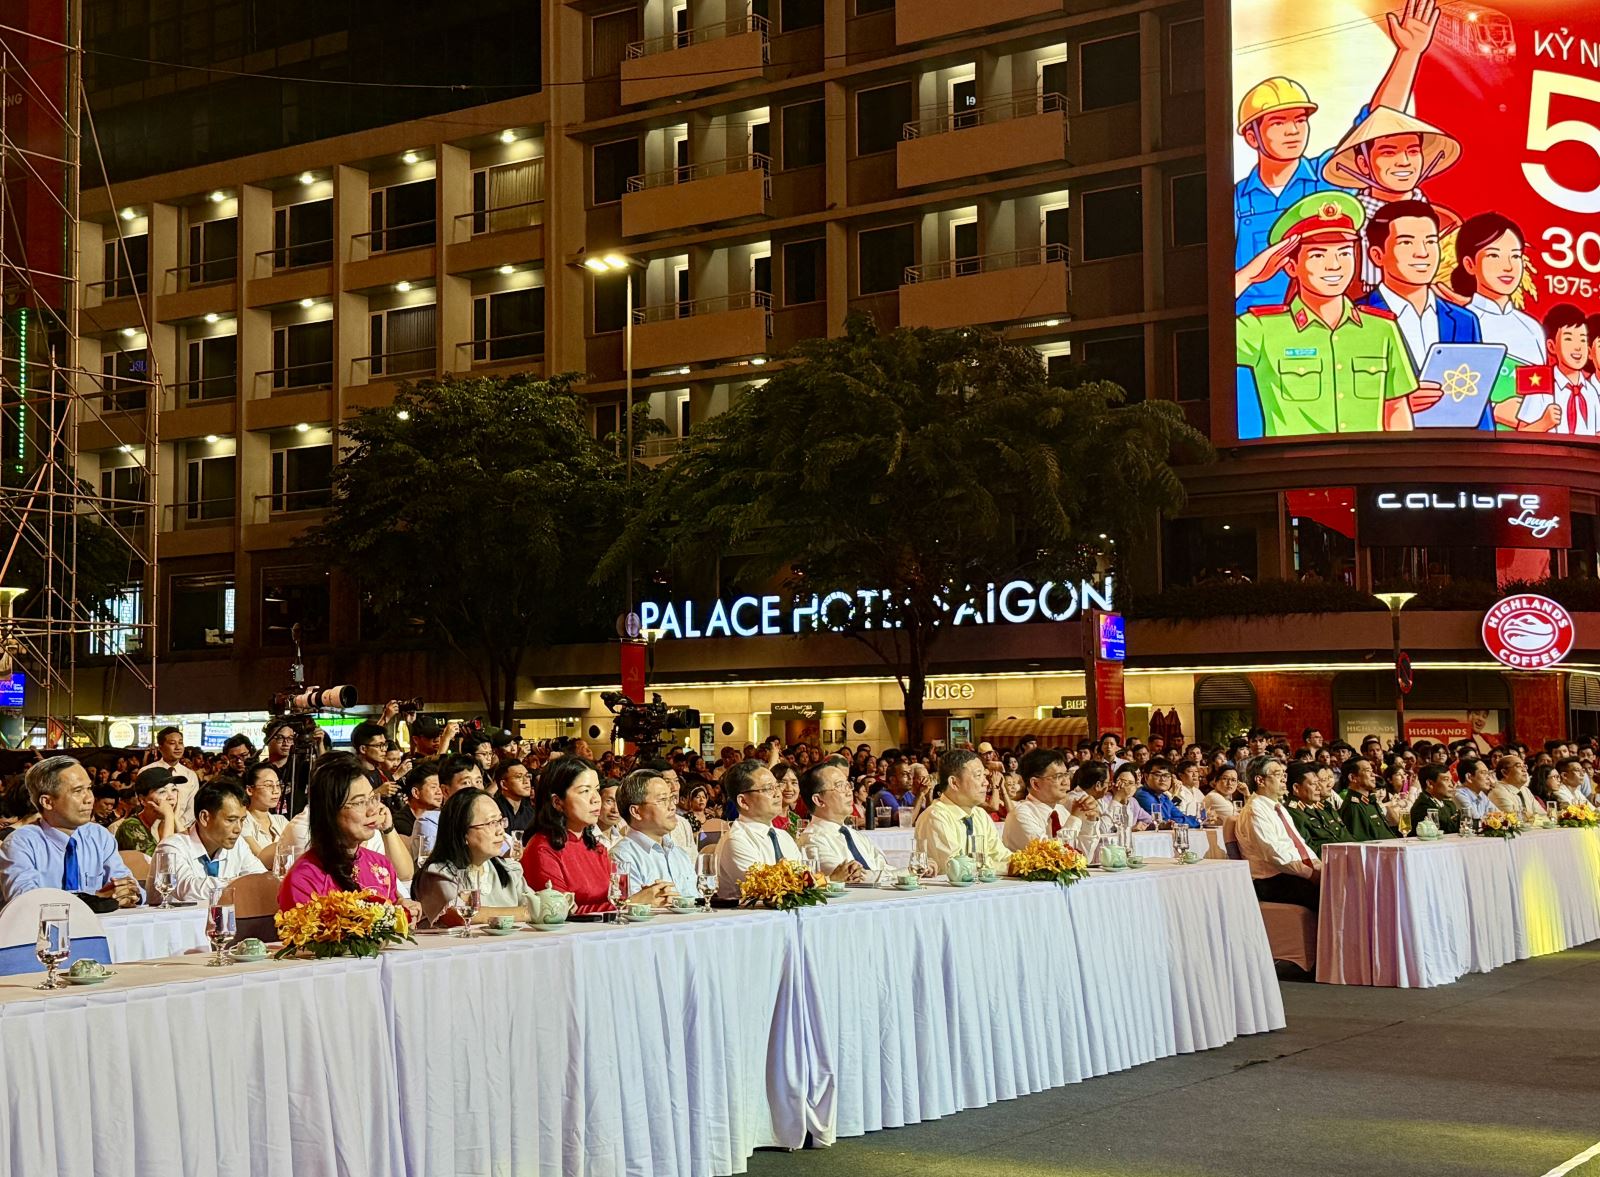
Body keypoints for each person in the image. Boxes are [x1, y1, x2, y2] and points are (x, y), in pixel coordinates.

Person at [277, 754, 418, 919]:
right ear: (330, 810)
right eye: (359, 802)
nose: (372, 810)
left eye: (372, 798)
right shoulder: (303, 879)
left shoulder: (380, 864)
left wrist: (403, 913)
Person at [0, 757, 143, 907]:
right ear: (47, 802)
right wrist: (94, 899)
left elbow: (126, 883)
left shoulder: (99, 836)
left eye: (89, 788)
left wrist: (129, 893)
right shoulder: (20, 844)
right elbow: (27, 902)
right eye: (78, 791)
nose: (89, 799)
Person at [414, 789, 537, 927]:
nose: (500, 831)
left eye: (500, 821)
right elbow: (459, 914)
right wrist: (526, 912)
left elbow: (537, 905)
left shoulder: (508, 869)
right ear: (463, 833)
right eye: (491, 823)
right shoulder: (438, 873)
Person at [522, 758, 618, 914]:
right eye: (585, 791)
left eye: (596, 790)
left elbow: (616, 894)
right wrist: (627, 905)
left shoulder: (596, 846)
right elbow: (560, 912)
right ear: (557, 802)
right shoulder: (543, 849)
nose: (596, 799)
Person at [153, 779, 267, 904]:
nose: (238, 829)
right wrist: (239, 883)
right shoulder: (171, 847)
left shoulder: (238, 844)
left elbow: (261, 878)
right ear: (204, 818)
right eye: (231, 820)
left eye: (242, 820)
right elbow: (187, 890)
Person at [1235, 755, 1320, 911]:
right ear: (1260, 780)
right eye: (1278, 774)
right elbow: (1273, 853)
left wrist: (1318, 866)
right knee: (1328, 893)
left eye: (1284, 774)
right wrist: (1311, 874)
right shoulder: (1255, 810)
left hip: (1292, 873)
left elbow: (1299, 844)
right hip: (1271, 880)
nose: (1283, 779)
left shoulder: (1278, 807)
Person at [714, 759, 804, 900]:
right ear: (743, 801)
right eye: (768, 788)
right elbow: (766, 891)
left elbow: (803, 880)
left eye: (777, 786)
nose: (778, 793)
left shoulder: (784, 837)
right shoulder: (737, 841)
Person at [913, 749, 1012, 874]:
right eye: (978, 776)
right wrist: (1008, 868)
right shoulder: (935, 816)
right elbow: (957, 867)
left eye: (985, 775)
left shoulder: (980, 814)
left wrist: (1026, 863)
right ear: (954, 783)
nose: (986, 782)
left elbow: (1001, 855)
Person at [607, 769, 694, 901]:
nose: (672, 807)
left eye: (671, 799)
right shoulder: (622, 857)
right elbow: (626, 908)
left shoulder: (679, 854)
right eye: (663, 800)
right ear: (636, 812)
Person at [797, 762, 890, 881]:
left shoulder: (856, 836)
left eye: (848, 785)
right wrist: (902, 873)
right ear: (819, 800)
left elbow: (885, 867)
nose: (849, 792)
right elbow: (851, 878)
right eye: (840, 786)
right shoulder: (813, 840)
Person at [1002, 748, 1090, 851]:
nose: (1066, 782)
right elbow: (1050, 854)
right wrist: (1075, 818)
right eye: (1058, 776)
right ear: (1035, 784)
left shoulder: (1061, 810)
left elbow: (1082, 855)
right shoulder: (1022, 815)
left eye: (1066, 775)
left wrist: (1091, 822)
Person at [410, 754, 481, 861]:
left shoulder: (488, 818)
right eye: (466, 782)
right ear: (446, 791)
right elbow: (432, 865)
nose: (475, 788)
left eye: (478, 781)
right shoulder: (430, 822)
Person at [115, 765, 184, 856]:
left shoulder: (168, 821)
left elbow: (191, 855)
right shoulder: (130, 826)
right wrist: (169, 816)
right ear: (143, 800)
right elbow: (163, 860)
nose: (171, 797)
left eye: (174, 789)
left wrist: (175, 819)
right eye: (162, 792)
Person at [1285, 762, 1351, 856]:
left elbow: (1345, 836)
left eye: (1318, 783)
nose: (1319, 788)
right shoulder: (1293, 813)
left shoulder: (1322, 806)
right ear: (1296, 788)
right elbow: (1308, 850)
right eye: (1313, 784)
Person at [1337, 757, 1398, 841]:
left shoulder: (1369, 801)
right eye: (1368, 771)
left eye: (1372, 770)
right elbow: (1359, 843)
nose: (1373, 775)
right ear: (1353, 778)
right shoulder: (1354, 806)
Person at [152, 726, 202, 830]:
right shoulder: (148, 771)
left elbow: (192, 807)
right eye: (172, 743)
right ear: (160, 747)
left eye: (180, 742)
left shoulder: (190, 775)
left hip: (181, 830)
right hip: (153, 829)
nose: (178, 747)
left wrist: (177, 826)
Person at [239, 762, 288, 864]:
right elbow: (261, 859)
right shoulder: (242, 822)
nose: (276, 791)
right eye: (268, 785)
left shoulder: (281, 821)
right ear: (250, 790)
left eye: (278, 785)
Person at [1134, 760, 1201, 828]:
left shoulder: (1163, 797)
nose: (1163, 779)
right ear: (1146, 777)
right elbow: (1161, 821)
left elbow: (1180, 816)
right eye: (1158, 775)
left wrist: (1200, 821)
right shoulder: (1143, 795)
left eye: (1167, 775)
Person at [1488, 755, 1544, 820]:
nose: (1524, 770)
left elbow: (1543, 815)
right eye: (1518, 766)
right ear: (1504, 772)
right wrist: (1534, 818)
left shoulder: (1525, 790)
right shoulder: (1497, 792)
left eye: (1524, 766)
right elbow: (1516, 820)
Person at [1410, 764, 1461, 833]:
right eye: (1446, 780)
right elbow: (1449, 828)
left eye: (1451, 780)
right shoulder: (1422, 807)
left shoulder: (1449, 804)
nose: (1452, 785)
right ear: (1430, 784)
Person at [493, 760, 536, 838]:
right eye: (519, 777)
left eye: (527, 776)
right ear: (504, 784)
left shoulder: (531, 813)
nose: (526, 781)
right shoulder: (493, 810)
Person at [1453, 757, 1498, 823]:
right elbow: (1476, 821)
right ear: (1469, 777)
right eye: (1483, 773)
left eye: (1488, 773)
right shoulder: (1459, 795)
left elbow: (1498, 815)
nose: (1488, 777)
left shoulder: (1480, 794)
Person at [595, 777, 626, 849]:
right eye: (609, 801)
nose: (615, 810)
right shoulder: (585, 838)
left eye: (620, 802)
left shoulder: (622, 840)